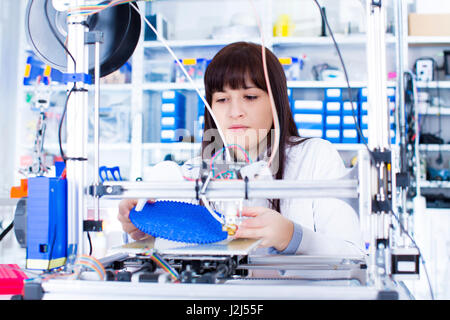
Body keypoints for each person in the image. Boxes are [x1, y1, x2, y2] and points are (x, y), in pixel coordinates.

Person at [118, 41, 364, 256]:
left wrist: (292, 236)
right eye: (222, 100)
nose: (235, 112)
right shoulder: (195, 173)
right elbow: (176, 255)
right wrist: (146, 230)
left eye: (250, 96)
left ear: (275, 102)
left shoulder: (315, 157)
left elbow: (354, 255)